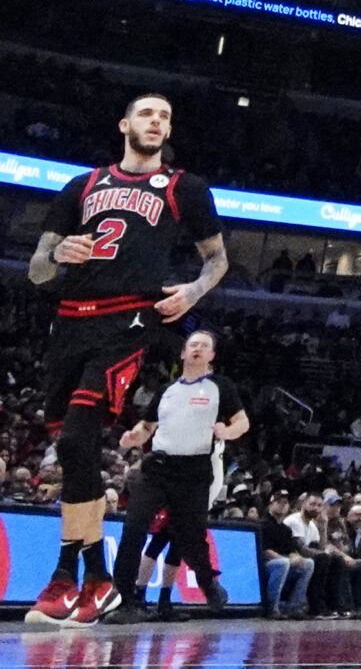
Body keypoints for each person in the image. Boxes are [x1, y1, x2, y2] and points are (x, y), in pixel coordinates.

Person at [25, 92, 229, 626]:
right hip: (70, 322)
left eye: (164, 116)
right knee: (74, 453)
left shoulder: (185, 187)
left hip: (128, 321)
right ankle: (94, 578)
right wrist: (56, 253)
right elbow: (37, 271)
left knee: (76, 439)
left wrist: (194, 292)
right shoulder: (82, 185)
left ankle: (68, 575)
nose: (156, 122)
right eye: (146, 113)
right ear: (124, 125)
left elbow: (218, 259)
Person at [103, 330, 245, 620]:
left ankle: (207, 582)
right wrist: (135, 435)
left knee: (190, 537)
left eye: (204, 346)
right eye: (193, 344)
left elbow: (242, 421)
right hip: (157, 468)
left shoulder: (221, 386)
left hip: (193, 472)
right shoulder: (166, 390)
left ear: (211, 356)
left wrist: (227, 432)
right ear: (182, 353)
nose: (197, 349)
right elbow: (148, 425)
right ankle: (124, 601)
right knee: (134, 527)